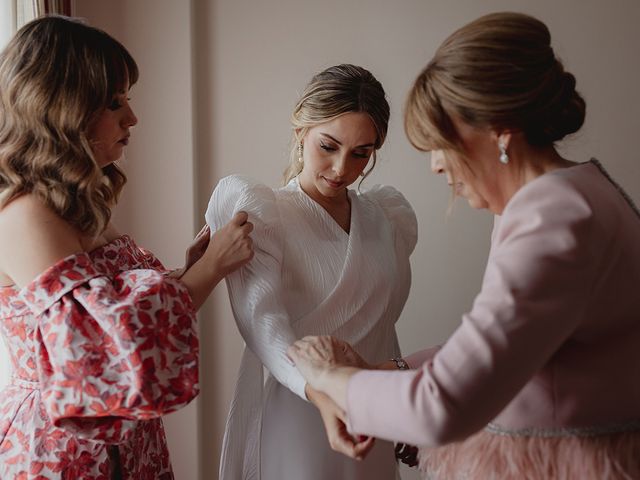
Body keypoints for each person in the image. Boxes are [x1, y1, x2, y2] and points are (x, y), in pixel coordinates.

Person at [288, 12, 640, 480]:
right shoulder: (573, 194)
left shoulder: (553, 220)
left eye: (441, 140)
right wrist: (386, 370)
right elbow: (500, 349)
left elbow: (442, 406)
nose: (436, 165)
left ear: (498, 129)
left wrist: (331, 376)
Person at [0, 16, 253, 479]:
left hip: (122, 441)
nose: (131, 117)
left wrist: (184, 272)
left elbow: (114, 318)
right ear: (64, 107)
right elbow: (96, 349)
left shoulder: (73, 203)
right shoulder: (24, 214)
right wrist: (211, 268)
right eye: (114, 103)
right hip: (66, 448)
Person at [206, 64, 417, 480]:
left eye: (361, 153)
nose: (342, 168)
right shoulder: (266, 217)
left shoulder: (387, 217)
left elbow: (382, 327)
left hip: (369, 417)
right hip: (302, 412)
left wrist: (397, 404)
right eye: (329, 145)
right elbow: (265, 329)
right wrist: (322, 393)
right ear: (301, 131)